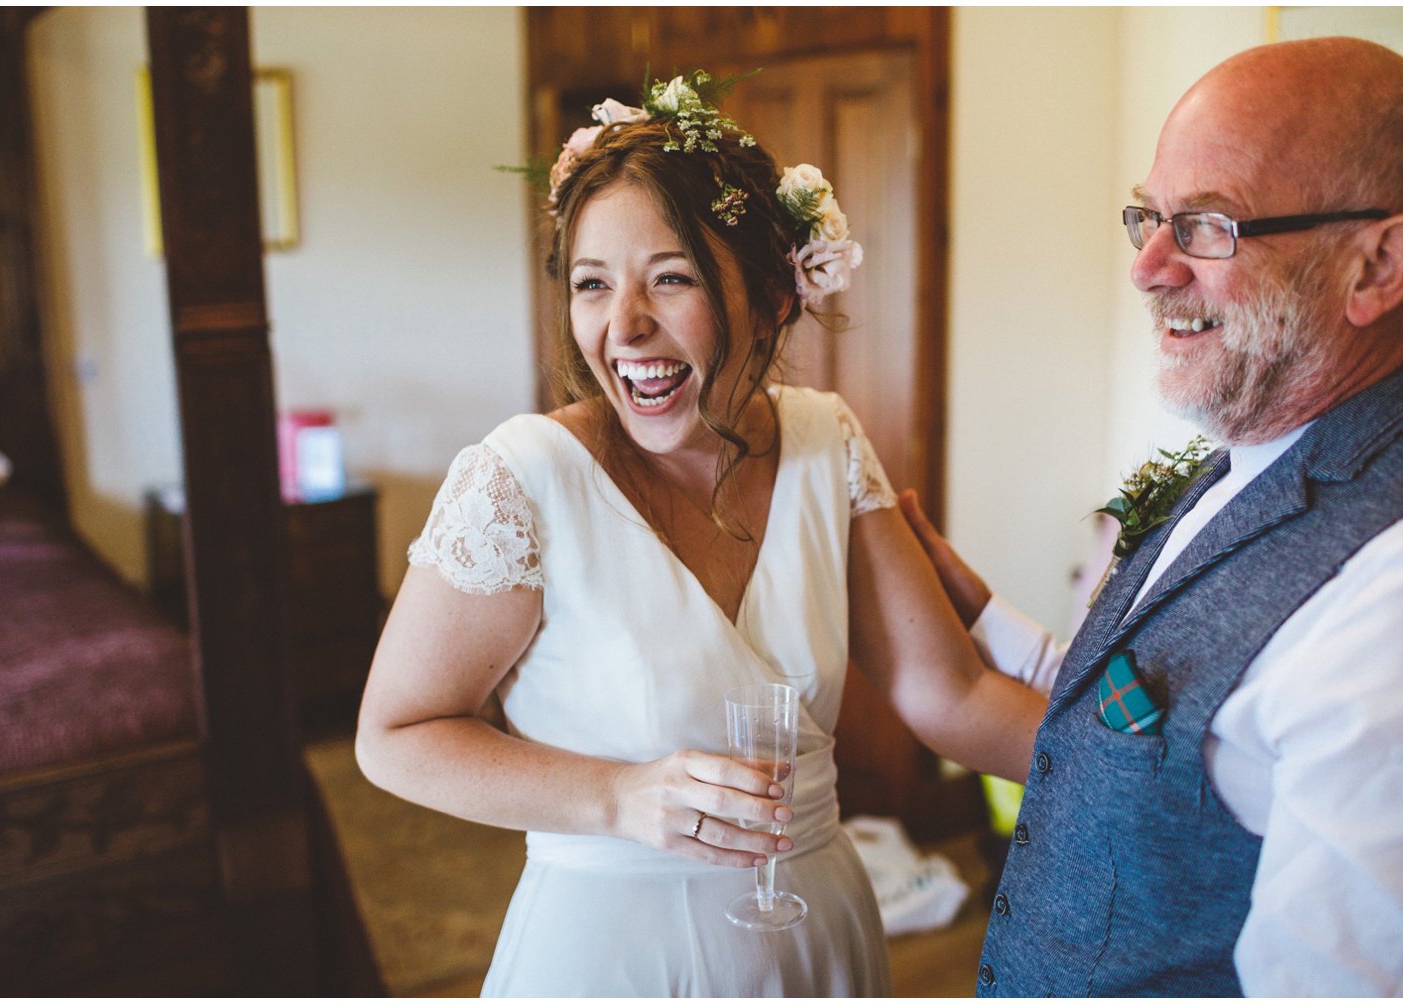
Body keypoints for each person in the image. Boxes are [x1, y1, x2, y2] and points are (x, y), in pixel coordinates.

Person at [355, 72, 1046, 997]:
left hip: (817, 938)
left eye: (670, 279)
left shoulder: (825, 440)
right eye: (593, 285)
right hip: (611, 956)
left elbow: (950, 694)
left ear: (772, 296)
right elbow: (394, 736)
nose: (624, 327)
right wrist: (616, 797)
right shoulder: (522, 480)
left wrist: (1171, 769)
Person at [902, 36, 1403, 997]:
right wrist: (984, 623)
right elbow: (1178, 741)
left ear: (1378, 265)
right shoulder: (1266, 448)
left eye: (1206, 225)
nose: (1149, 268)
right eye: (1150, 217)